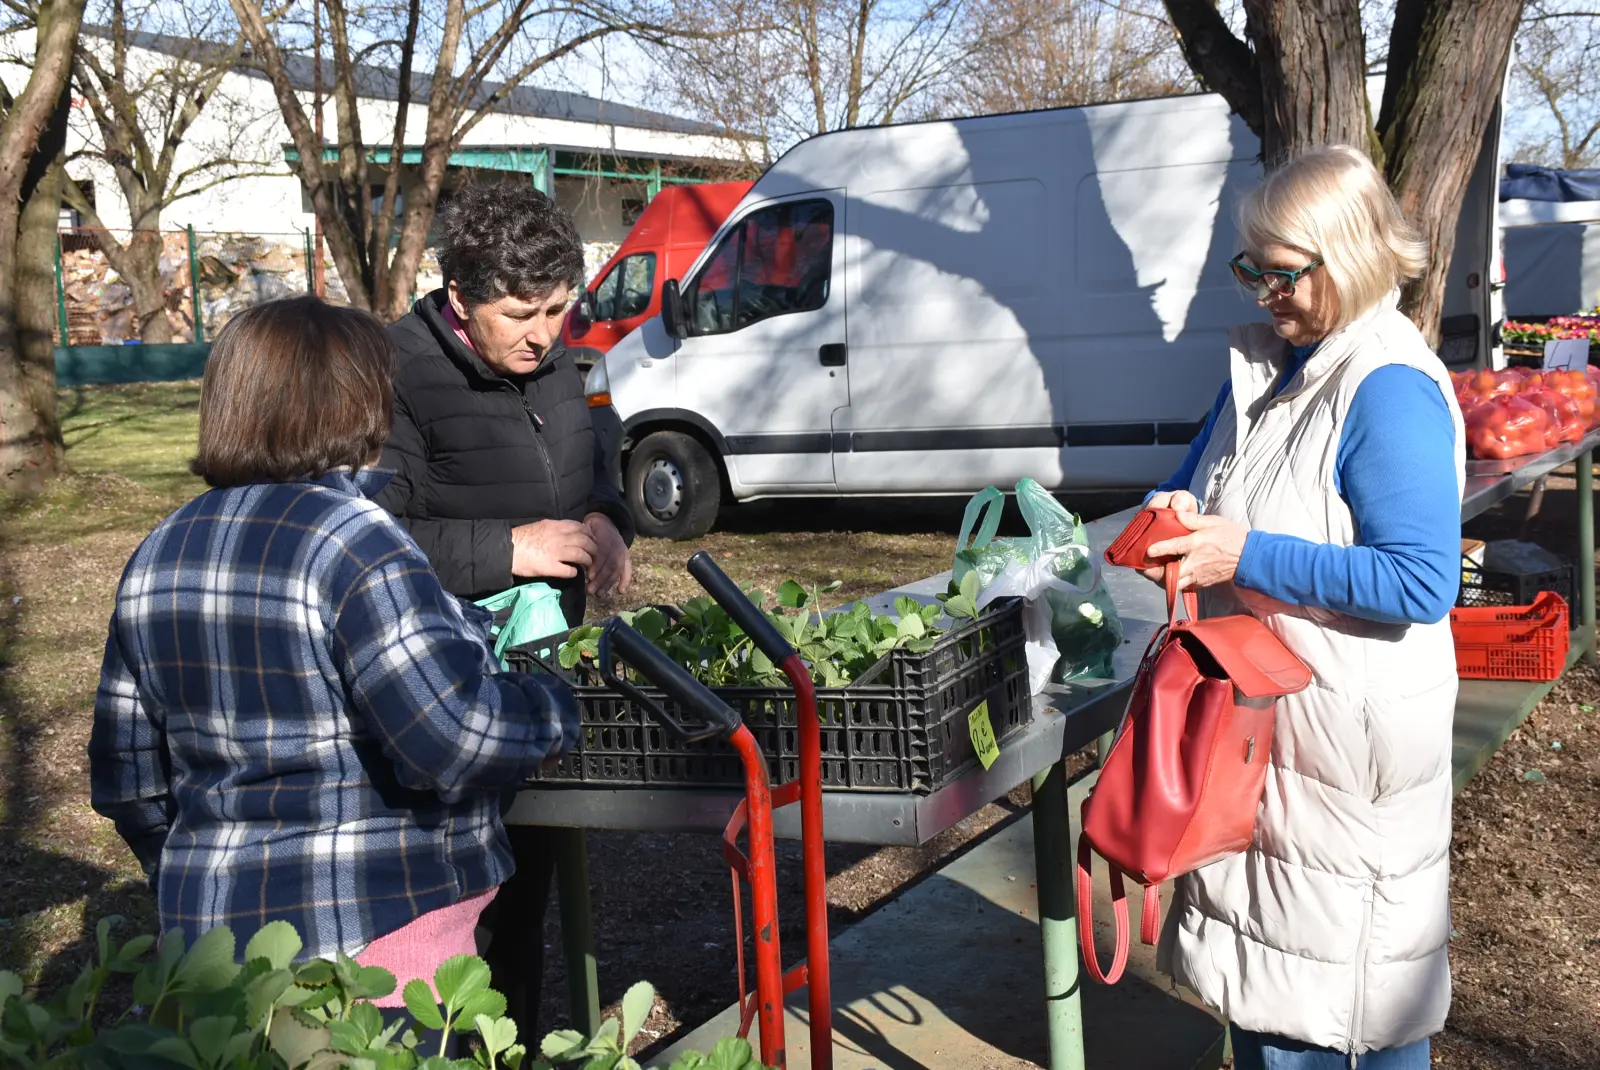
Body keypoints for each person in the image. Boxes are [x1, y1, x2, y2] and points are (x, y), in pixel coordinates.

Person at [88, 297, 579, 1018]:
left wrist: (197, 875)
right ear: (358, 404)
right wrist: (554, 708)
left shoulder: (159, 551)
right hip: (377, 956)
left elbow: (128, 777)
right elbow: (455, 739)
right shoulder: (356, 539)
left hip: (207, 958)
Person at [1139, 146, 1465, 1070]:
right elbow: (1190, 482)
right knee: (1267, 995)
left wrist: (1243, 551)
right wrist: (1177, 511)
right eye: (1249, 270)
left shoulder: (1387, 387)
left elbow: (1419, 581)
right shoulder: (1271, 367)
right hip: (1267, 731)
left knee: (1331, 1009)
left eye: (1281, 274)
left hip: (1341, 753)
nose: (1260, 294)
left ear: (1351, 254)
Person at [375, 181, 634, 1039]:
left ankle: (511, 1046)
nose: (544, 335)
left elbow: (596, 447)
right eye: (521, 314)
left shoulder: (555, 354)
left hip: (543, 658)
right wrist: (510, 549)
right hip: (442, 677)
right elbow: (369, 540)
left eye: (559, 310)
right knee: (462, 915)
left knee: (529, 894)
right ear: (460, 300)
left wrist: (607, 515)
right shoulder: (397, 373)